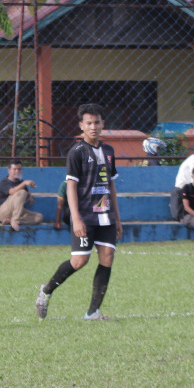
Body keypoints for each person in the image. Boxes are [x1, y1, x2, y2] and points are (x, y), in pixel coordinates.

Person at [35, 104, 122, 321]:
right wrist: (76, 218)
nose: (93, 127)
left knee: (107, 257)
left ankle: (92, 313)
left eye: (97, 122)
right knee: (79, 261)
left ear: (103, 124)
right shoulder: (77, 152)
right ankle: (46, 291)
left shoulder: (109, 152)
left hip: (106, 215)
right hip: (85, 216)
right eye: (89, 123)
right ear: (81, 126)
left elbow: (111, 186)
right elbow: (71, 186)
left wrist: (118, 220)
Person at [0, 161, 44, 231]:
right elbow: (12, 191)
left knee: (39, 217)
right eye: (14, 169)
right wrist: (24, 183)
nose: (17, 171)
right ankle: (15, 221)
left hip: (17, 213)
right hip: (4, 211)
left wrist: (30, 196)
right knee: (22, 192)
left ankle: (11, 221)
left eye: (19, 169)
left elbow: (27, 193)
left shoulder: (21, 183)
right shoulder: (4, 182)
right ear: (9, 170)